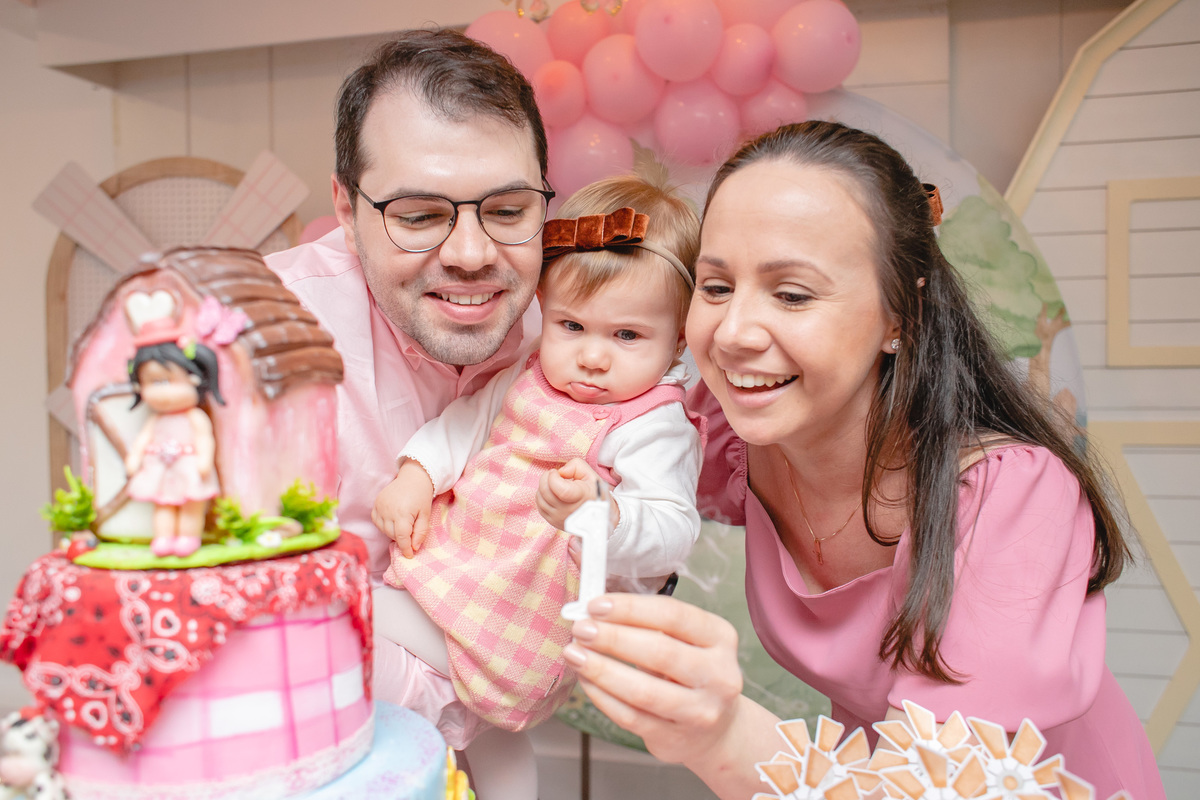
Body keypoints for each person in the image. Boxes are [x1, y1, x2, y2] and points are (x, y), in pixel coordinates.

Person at [560, 121, 1166, 800]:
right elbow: (562, 436)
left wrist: (720, 732)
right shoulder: (733, 440)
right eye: (717, 287)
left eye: (792, 294)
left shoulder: (1011, 498)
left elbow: (940, 786)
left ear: (898, 316)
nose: (732, 335)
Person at [265, 29, 549, 798]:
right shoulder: (253, 352)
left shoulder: (564, 339)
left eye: (508, 209)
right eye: (419, 215)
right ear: (345, 209)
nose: (470, 252)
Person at [372, 176, 703, 740]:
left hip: (523, 613)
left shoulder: (652, 424)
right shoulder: (530, 373)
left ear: (677, 341)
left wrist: (607, 515)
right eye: (572, 326)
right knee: (491, 734)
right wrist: (416, 474)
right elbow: (466, 423)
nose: (592, 356)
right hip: (466, 564)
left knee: (359, 613)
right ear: (544, 311)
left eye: (627, 335)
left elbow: (674, 529)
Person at [125, 321, 224, 558]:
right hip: (160, 469)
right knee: (163, 504)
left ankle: (188, 537)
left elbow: (205, 438)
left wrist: (204, 461)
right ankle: (163, 537)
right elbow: (143, 438)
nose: (161, 392)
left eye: (168, 380)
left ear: (194, 378)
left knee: (191, 505)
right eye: (152, 383)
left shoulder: (194, 416)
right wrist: (134, 457)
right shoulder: (156, 419)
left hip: (188, 467)